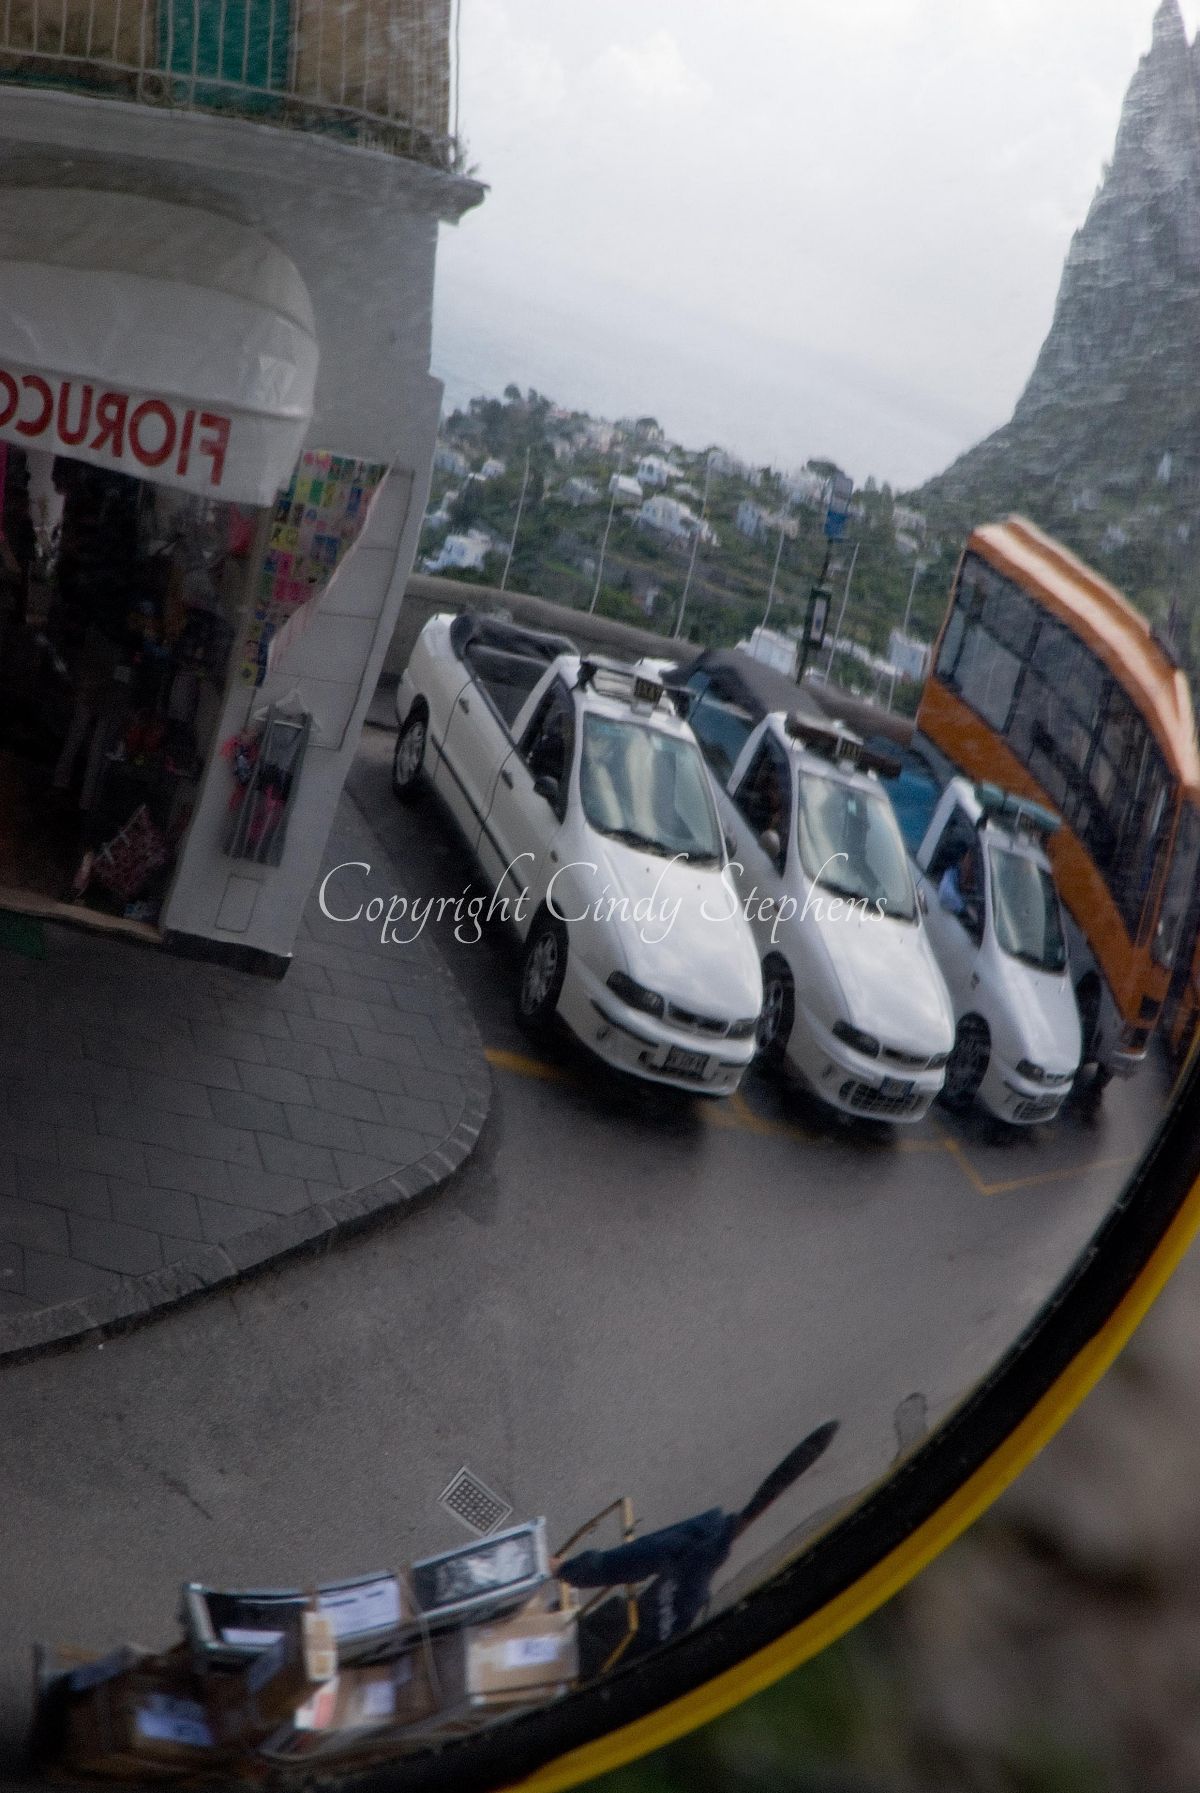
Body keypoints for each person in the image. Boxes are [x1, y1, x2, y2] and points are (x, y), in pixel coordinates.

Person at [556, 1420, 838, 1673]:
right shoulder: (704, 1545)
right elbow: (636, 1559)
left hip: (619, 1658)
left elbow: (636, 1559)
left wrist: (568, 1571)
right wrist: (571, 1571)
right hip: (621, 1646)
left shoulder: (703, 1555)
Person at [939, 842, 979, 919]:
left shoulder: (981, 884)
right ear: (961, 860)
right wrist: (966, 908)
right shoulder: (952, 874)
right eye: (969, 858)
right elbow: (945, 894)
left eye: (976, 862)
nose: (972, 865)